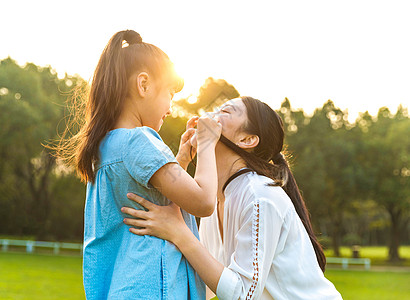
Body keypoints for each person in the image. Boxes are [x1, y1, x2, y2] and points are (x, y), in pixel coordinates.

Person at [122, 97, 342, 299]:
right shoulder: (216, 198)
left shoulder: (260, 196)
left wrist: (180, 233)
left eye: (225, 111)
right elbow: (206, 283)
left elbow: (242, 294)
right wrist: (181, 159)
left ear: (247, 139)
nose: (208, 117)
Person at [59, 29, 223, 299]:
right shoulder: (140, 140)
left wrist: (180, 159)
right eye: (170, 93)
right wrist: (207, 143)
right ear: (143, 85)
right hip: (152, 289)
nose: (170, 107)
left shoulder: (106, 145)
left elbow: (151, 196)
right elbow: (204, 202)